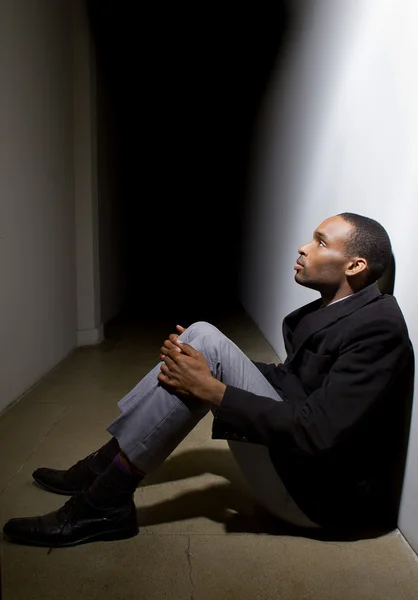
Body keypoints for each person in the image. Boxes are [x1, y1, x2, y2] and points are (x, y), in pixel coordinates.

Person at [3, 213, 414, 550]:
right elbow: (292, 381)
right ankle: (102, 472)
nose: (304, 247)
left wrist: (212, 387)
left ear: (355, 266)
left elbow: (318, 431)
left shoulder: (378, 330)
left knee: (203, 358)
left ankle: (102, 502)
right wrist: (205, 368)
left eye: (321, 242)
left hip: (321, 499)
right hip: (304, 469)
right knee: (199, 341)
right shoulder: (349, 311)